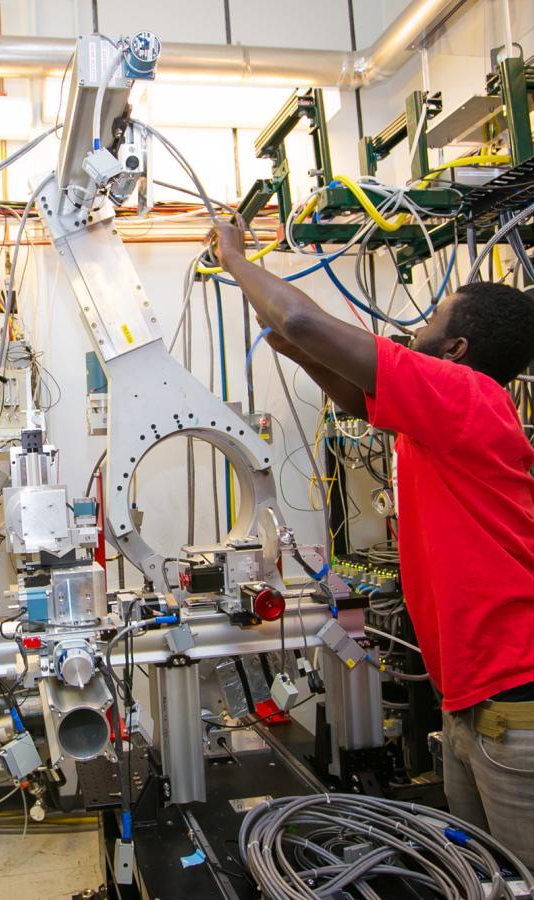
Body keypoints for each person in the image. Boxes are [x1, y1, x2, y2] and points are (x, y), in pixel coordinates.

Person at [213, 215, 534, 867]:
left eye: (432, 321)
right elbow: (339, 380)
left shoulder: (465, 396)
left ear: (456, 349)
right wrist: (295, 343)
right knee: (482, 876)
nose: (415, 330)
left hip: (514, 700)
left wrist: (234, 259)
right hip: (473, 702)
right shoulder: (443, 414)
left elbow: (303, 324)